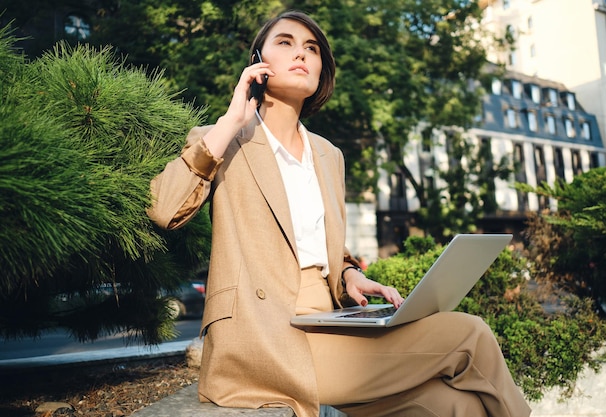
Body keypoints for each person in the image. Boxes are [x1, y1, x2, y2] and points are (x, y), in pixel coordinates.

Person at [147, 10, 531, 417]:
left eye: (311, 49)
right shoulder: (224, 139)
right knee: (469, 334)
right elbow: (164, 209)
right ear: (258, 62)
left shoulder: (329, 155)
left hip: (331, 324)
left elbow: (318, 240)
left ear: (321, 71)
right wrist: (231, 120)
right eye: (285, 43)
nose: (301, 54)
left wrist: (349, 273)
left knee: (457, 404)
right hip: (263, 336)